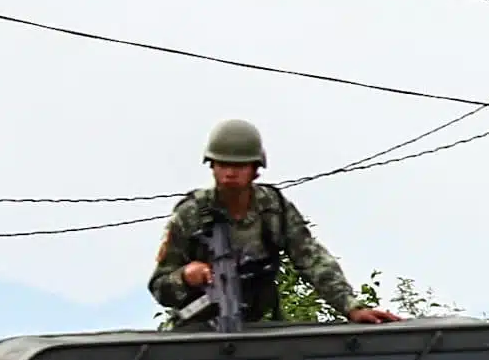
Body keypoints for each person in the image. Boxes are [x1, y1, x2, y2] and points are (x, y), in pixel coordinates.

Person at [147, 118, 397, 327]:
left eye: (239, 165)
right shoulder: (190, 215)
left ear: (256, 169)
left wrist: (351, 307)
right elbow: (160, 287)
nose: (230, 173)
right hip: (200, 337)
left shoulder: (273, 209)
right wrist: (186, 276)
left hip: (261, 331)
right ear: (211, 166)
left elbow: (311, 259)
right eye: (222, 164)